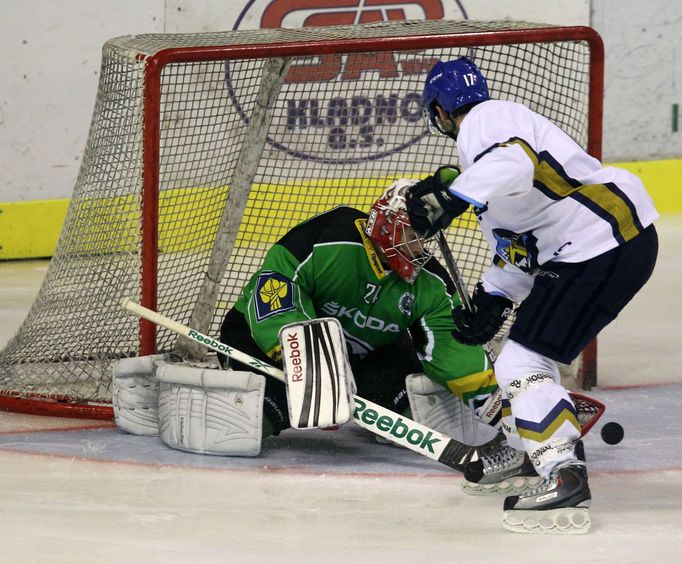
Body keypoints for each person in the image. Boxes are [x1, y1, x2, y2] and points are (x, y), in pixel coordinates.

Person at [405, 57, 659, 533]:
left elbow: (514, 162)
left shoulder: (483, 121)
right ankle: (529, 450)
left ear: (439, 110)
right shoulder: (483, 159)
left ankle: (562, 474)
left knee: (522, 362)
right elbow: (522, 242)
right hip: (605, 244)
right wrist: (492, 297)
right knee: (519, 354)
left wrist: (450, 198)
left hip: (597, 244)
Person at [220, 180, 499, 448]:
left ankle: (365, 403)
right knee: (258, 417)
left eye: (424, 240)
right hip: (264, 339)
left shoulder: (430, 282)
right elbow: (275, 294)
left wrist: (495, 403)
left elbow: (451, 345)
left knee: (418, 411)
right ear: (387, 225)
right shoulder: (330, 237)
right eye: (412, 237)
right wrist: (314, 370)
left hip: (358, 357)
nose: (418, 249)